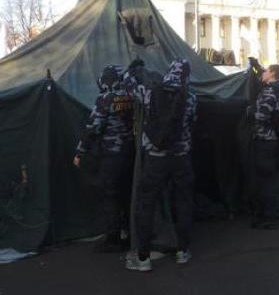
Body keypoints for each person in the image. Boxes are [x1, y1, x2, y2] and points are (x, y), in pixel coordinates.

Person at [124, 59, 196, 272]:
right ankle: (182, 251)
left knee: (146, 203)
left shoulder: (150, 92)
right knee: (183, 201)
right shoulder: (191, 98)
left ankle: (143, 257)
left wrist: (131, 71)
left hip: (155, 158)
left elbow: (128, 87)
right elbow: (192, 123)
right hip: (181, 158)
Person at [73, 65, 134, 252]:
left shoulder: (105, 99)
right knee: (126, 195)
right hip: (130, 154)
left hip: (112, 156)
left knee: (110, 196)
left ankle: (113, 238)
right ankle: (128, 234)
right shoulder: (131, 96)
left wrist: (80, 151)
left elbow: (94, 127)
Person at [251, 64, 279, 229]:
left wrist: (250, 111)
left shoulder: (270, 91)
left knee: (265, 179)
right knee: (269, 178)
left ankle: (269, 216)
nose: (263, 73)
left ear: (272, 73)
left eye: (266, 71)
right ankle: (272, 212)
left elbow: (262, 115)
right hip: (273, 139)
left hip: (265, 139)